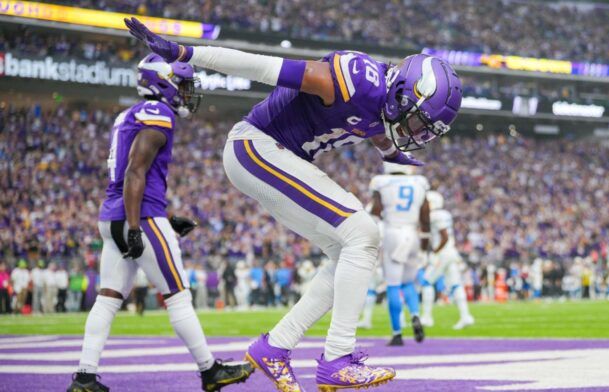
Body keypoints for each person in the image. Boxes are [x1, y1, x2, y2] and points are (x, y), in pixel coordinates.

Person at [126, 16, 461, 391]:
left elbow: (376, 129)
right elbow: (260, 65)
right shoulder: (353, 78)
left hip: (277, 155)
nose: (414, 134)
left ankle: (276, 346)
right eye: (417, 123)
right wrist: (186, 52)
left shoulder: (386, 108)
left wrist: (391, 153)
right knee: (363, 234)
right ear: (401, 91)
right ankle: (337, 358)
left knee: (348, 252)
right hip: (255, 145)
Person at [67, 53, 253, 392]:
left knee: (107, 300)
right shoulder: (158, 113)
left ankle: (84, 376)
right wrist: (141, 225)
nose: (184, 92)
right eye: (180, 84)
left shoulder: (129, 114)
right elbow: (135, 170)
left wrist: (163, 218)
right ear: (162, 81)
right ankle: (210, 371)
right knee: (178, 296)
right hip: (140, 216)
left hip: (112, 218)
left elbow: (133, 171)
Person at [369, 162, 430, 346]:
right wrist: (425, 245)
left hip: (393, 233)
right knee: (408, 283)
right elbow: (425, 216)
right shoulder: (419, 182)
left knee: (393, 285)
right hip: (413, 234)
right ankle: (415, 314)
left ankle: (397, 333)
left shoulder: (382, 182)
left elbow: (376, 210)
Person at [420, 191, 474, 330]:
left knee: (426, 281)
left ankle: (427, 317)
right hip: (452, 252)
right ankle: (465, 316)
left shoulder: (435, 216)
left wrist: (435, 252)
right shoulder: (445, 214)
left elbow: (444, 236)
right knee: (455, 284)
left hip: (443, 253)